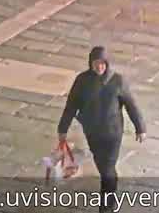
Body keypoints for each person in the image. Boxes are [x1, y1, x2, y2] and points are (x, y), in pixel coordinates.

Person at [57, 46, 145, 211]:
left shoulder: (118, 81)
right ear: (91, 63)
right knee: (102, 164)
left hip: (113, 132)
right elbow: (71, 106)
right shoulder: (82, 81)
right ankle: (109, 196)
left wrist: (140, 127)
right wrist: (62, 128)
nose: (99, 67)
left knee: (107, 169)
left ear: (107, 64)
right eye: (96, 63)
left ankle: (107, 206)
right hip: (93, 132)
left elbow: (130, 105)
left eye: (102, 63)